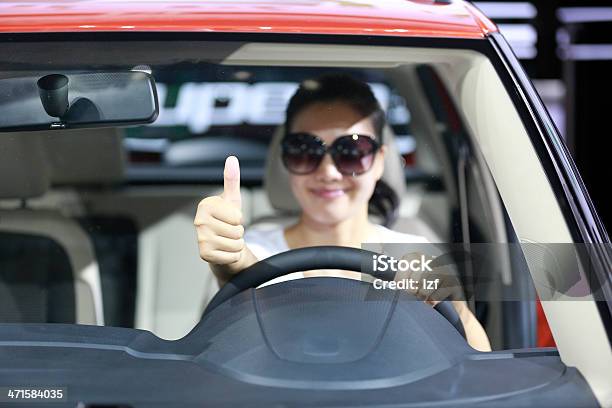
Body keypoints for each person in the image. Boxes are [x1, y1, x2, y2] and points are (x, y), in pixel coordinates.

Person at [194, 74, 491, 351]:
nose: (329, 172)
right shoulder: (254, 245)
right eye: (305, 150)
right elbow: (244, 267)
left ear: (378, 162)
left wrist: (452, 305)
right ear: (285, 160)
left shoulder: (413, 252)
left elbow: (476, 362)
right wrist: (231, 264)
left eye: (351, 151)